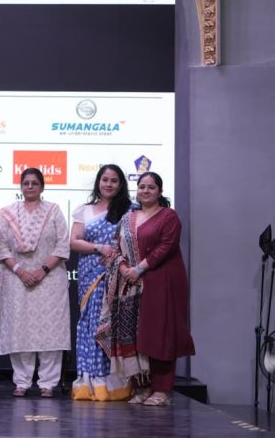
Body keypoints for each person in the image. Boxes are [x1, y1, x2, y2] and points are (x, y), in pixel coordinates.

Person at [97, 172, 195, 406]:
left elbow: (166, 246)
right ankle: (142, 386)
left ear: (159, 191)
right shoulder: (129, 217)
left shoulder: (168, 216)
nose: (146, 191)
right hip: (130, 284)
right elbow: (115, 247)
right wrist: (123, 269)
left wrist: (139, 269)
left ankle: (162, 390)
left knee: (160, 333)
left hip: (162, 280)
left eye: (151, 187)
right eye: (142, 187)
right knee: (133, 334)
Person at [0, 167, 71, 398]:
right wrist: (20, 271)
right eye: (26, 183)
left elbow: (63, 244)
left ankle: (48, 383)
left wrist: (42, 270)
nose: (30, 187)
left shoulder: (54, 211)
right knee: (20, 330)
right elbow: (1, 247)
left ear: (42, 187)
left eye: (34, 183)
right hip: (16, 279)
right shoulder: (6, 213)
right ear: (21, 186)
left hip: (50, 278)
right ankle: (22, 381)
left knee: (51, 331)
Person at [69, 164, 132, 401]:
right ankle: (92, 382)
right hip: (91, 276)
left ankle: (115, 382)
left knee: (115, 326)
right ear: (98, 182)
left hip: (119, 275)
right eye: (105, 180)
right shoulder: (84, 210)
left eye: (114, 180)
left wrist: (116, 255)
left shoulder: (130, 211)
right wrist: (99, 248)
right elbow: (74, 241)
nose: (109, 184)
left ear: (120, 184)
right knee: (91, 325)